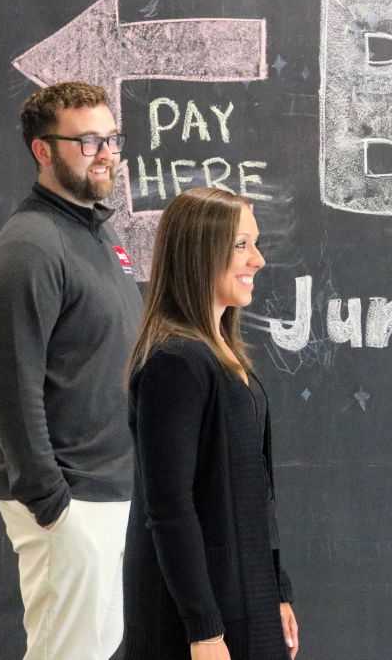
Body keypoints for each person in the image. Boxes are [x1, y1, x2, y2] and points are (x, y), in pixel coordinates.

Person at [0, 81, 141, 659]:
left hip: (109, 488)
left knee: (93, 647)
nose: (106, 153)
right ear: (43, 151)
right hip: (70, 496)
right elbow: (8, 387)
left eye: (111, 138)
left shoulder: (98, 229)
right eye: (87, 141)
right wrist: (51, 501)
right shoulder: (30, 247)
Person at [120, 187, 298, 659]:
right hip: (199, 616)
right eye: (241, 244)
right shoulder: (175, 364)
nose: (257, 260)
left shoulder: (226, 359)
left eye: (255, 244)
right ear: (199, 253)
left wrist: (276, 590)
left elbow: (257, 492)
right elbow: (169, 508)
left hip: (245, 598)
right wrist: (204, 630)